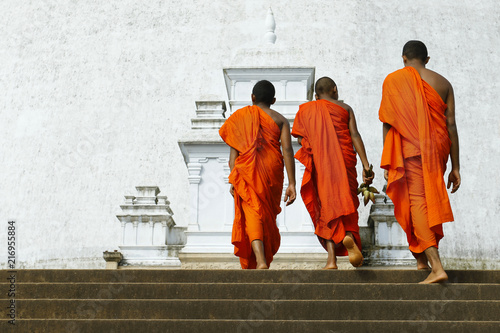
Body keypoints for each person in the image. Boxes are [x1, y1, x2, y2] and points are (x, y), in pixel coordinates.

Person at [379, 40, 461, 284]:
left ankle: (436, 266)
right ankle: (421, 260)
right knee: (428, 200)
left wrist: (388, 158)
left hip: (410, 149)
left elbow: (388, 121)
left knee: (417, 203)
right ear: (427, 59)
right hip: (436, 148)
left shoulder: (393, 80)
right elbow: (451, 124)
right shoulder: (443, 83)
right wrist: (456, 166)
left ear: (404, 57)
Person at [292, 77, 374, 269]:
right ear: (335, 89)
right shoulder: (345, 109)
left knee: (325, 208)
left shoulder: (306, 110)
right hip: (345, 163)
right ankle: (347, 236)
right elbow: (354, 135)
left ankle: (331, 260)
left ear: (315, 95)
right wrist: (365, 165)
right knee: (346, 204)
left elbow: (301, 141)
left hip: (321, 166)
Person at [219, 80, 297, 269]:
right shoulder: (280, 120)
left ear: (252, 98)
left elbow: (233, 156)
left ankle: (261, 260)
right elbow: (287, 150)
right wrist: (292, 183)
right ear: (274, 100)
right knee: (265, 214)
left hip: (246, 171)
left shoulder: (240, 117)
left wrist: (235, 178)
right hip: (272, 170)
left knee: (253, 212)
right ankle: (262, 259)